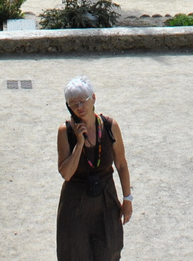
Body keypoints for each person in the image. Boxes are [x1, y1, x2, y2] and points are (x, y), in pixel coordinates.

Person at [56, 75, 131, 260]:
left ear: (94, 98)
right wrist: (79, 144)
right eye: (73, 104)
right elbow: (66, 173)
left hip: (106, 200)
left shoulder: (109, 126)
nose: (79, 107)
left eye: (83, 101)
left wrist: (127, 199)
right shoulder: (65, 132)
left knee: (109, 251)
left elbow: (121, 164)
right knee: (75, 254)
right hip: (75, 203)